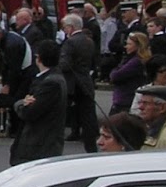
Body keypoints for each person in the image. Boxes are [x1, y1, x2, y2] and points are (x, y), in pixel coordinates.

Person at [11, 39, 67, 164]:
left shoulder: (50, 83)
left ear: (38, 58)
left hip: (39, 143)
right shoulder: (54, 78)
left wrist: (19, 104)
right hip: (43, 141)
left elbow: (29, 112)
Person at [58, 13, 99, 151]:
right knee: (87, 115)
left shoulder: (70, 42)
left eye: (64, 27)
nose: (64, 30)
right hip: (85, 81)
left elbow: (64, 64)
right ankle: (91, 144)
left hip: (72, 83)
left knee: (63, 113)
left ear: (70, 27)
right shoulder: (89, 40)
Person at [109, 31, 150, 113]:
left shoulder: (136, 61)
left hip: (126, 100)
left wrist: (114, 72)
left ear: (138, 46)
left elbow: (116, 76)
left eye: (129, 44)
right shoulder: (130, 59)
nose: (126, 47)